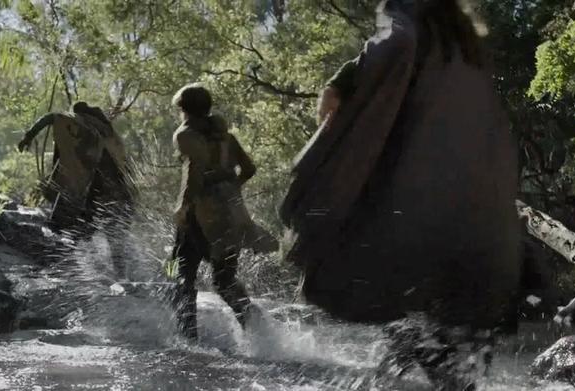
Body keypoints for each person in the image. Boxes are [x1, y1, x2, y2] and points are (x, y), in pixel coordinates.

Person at [280, 0, 520, 388]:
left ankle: (421, 376)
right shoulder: (459, 35)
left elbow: (394, 45)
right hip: (472, 203)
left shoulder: (406, 14)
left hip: (417, 198)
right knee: (447, 321)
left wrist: (343, 81)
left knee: (398, 307)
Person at [168, 84, 261, 341]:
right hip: (230, 214)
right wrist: (228, 189)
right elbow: (249, 168)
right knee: (224, 280)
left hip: (199, 216)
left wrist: (184, 207)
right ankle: (258, 333)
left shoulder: (185, 134)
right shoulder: (226, 138)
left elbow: (194, 172)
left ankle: (187, 339)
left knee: (177, 273)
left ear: (183, 110)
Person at [18, 102, 136, 278]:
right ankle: (120, 278)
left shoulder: (81, 122)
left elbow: (51, 117)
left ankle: (62, 268)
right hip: (119, 197)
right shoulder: (110, 136)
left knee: (72, 230)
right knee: (112, 238)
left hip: (100, 194)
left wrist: (28, 136)